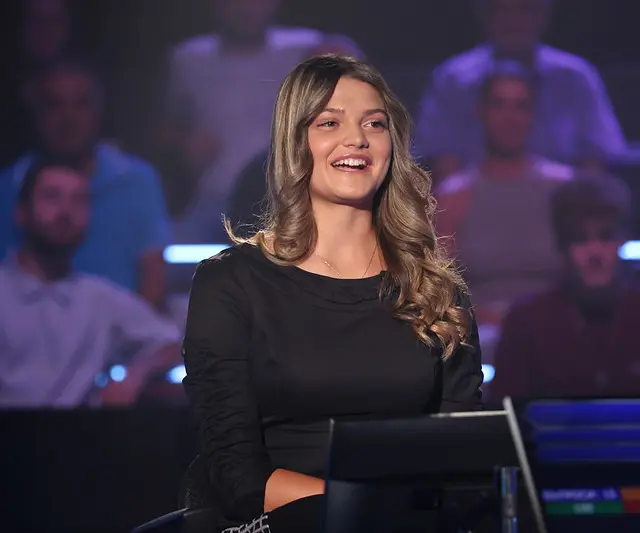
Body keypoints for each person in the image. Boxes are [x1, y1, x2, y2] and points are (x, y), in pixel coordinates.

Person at [182, 55, 483, 533]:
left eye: (374, 124)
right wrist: (362, 509)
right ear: (295, 141)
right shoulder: (232, 284)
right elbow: (234, 472)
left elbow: (464, 458)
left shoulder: (436, 292)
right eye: (330, 122)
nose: (357, 139)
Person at [164, 0, 364, 242]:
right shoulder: (189, 58)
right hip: (213, 200)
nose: (247, 7)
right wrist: (185, 143)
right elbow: (168, 125)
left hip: (287, 198)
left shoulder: (302, 47)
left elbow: (349, 66)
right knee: (169, 250)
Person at [0, 160, 181, 408]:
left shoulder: (97, 298)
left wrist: (136, 375)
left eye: (79, 200)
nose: (65, 211)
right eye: (52, 197)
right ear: (21, 212)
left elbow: (175, 343)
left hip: (79, 430)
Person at [0, 59, 171, 308]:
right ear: (37, 113)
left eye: (80, 104)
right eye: (54, 104)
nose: (68, 117)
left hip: (123, 327)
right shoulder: (10, 185)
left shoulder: (137, 180)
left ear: (97, 111)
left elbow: (154, 280)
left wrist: (132, 328)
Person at [435, 65, 572, 363]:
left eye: (520, 106)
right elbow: (441, 287)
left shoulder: (563, 188)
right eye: (499, 105)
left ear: (533, 114)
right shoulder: (454, 196)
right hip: (481, 334)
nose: (510, 117)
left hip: (556, 329)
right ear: (481, 112)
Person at [415, 0, 625, 180]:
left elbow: (598, 160)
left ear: (543, 15)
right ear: (485, 15)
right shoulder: (452, 79)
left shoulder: (576, 77)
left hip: (563, 207)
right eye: (503, 10)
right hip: (472, 206)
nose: (514, 21)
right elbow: (441, 163)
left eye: (525, 10)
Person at [489, 174, 640, 401]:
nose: (595, 252)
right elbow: (506, 412)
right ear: (563, 246)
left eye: (606, 237)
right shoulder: (527, 321)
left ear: (622, 241)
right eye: (580, 239)